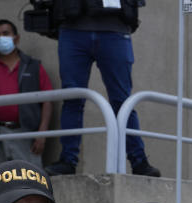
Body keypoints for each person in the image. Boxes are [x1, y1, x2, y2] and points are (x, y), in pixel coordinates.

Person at [46, 3, 160, 177]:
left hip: (114, 31)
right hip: (73, 30)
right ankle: (68, 160)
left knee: (122, 102)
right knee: (72, 98)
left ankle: (139, 161)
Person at [0, 19, 54, 170]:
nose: (1, 38)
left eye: (5, 33)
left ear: (17, 38)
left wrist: (42, 134)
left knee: (30, 182)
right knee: (0, 187)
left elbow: (47, 100)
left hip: (26, 135)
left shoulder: (33, 66)